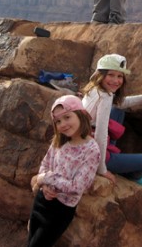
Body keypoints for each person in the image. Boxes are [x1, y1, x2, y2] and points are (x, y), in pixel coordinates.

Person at [82, 53, 142, 186]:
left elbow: (119, 103)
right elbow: (100, 135)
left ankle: (112, 150)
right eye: (111, 75)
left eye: (120, 76)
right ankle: (132, 176)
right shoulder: (104, 97)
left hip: (89, 140)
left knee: (118, 110)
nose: (116, 80)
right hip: (94, 153)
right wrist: (102, 170)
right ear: (100, 75)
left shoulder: (95, 89)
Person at [27, 95, 100, 247]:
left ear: (80, 114)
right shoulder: (59, 141)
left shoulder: (91, 150)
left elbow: (77, 187)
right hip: (42, 199)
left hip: (60, 210)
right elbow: (45, 163)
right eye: (58, 121)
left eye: (67, 117)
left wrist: (45, 178)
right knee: (31, 239)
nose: (63, 124)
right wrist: (44, 185)